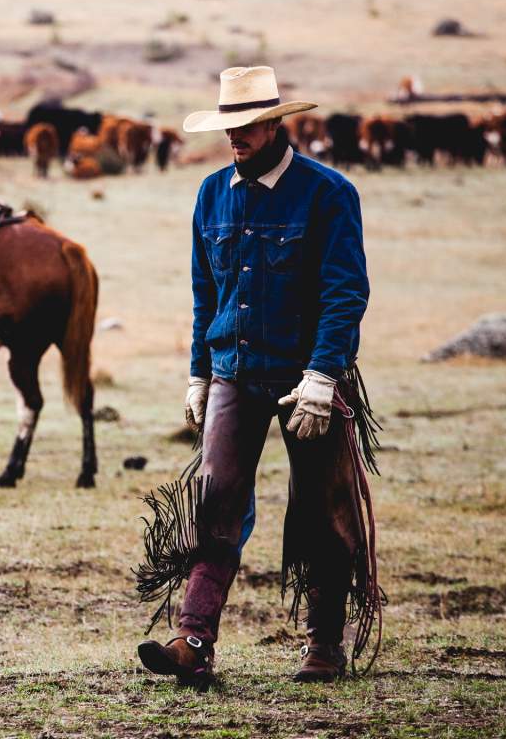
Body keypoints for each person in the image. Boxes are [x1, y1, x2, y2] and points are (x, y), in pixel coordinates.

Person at [136, 66, 380, 686]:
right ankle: (194, 641)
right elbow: (204, 292)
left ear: (276, 124)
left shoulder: (328, 193)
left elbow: (345, 292)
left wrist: (325, 375)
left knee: (324, 509)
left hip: (308, 378)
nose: (235, 137)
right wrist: (198, 374)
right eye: (229, 126)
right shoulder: (212, 193)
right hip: (232, 373)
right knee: (214, 502)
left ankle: (325, 643)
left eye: (246, 126)